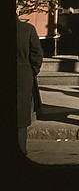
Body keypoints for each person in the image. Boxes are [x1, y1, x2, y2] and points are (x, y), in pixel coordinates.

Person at [16, 11, 44, 156]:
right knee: (21, 116)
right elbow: (37, 54)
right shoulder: (27, 29)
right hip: (23, 75)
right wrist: (31, 71)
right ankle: (21, 149)